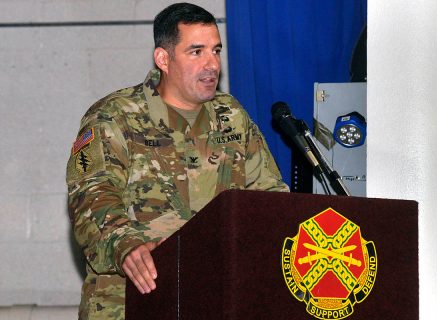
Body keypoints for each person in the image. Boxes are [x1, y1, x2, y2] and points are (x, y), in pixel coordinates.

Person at [66, 2, 289, 319]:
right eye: (196, 52)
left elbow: (267, 195)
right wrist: (125, 244)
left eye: (216, 50)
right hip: (131, 302)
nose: (212, 64)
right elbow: (91, 193)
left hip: (216, 300)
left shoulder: (232, 116)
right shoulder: (114, 116)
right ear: (163, 59)